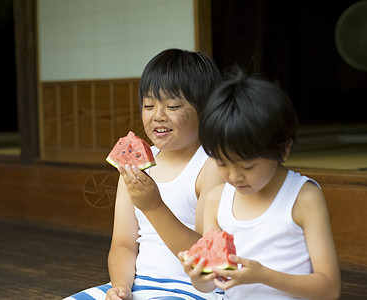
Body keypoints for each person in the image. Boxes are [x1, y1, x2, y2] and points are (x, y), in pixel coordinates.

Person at [63, 48, 224, 300]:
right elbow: (123, 244)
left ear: (206, 110)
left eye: (172, 106)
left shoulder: (211, 167)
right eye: (149, 105)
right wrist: (120, 287)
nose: (158, 116)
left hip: (195, 290)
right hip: (138, 283)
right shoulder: (135, 161)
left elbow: (208, 259)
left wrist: (152, 206)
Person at [179, 66, 341, 299]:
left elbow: (330, 288)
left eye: (247, 166)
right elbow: (209, 286)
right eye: (222, 164)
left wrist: (262, 275)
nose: (234, 176)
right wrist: (198, 276)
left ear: (283, 150)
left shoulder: (303, 198)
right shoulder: (216, 200)